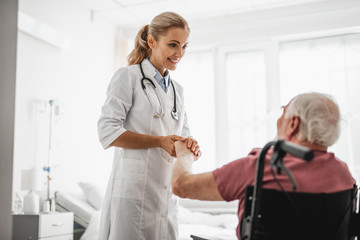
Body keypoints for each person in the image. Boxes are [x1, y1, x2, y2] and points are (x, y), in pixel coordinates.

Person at [171, 92, 356, 239]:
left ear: (293, 123)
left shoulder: (259, 168)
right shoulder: (344, 175)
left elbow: (181, 185)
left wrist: (184, 153)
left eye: (283, 112)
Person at [97, 12, 201, 240]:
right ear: (152, 41)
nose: (179, 53)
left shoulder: (178, 90)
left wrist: (190, 146)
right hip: (133, 192)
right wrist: (159, 142)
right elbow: (108, 131)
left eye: (184, 46)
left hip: (165, 194)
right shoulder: (128, 77)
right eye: (173, 45)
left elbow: (182, 134)